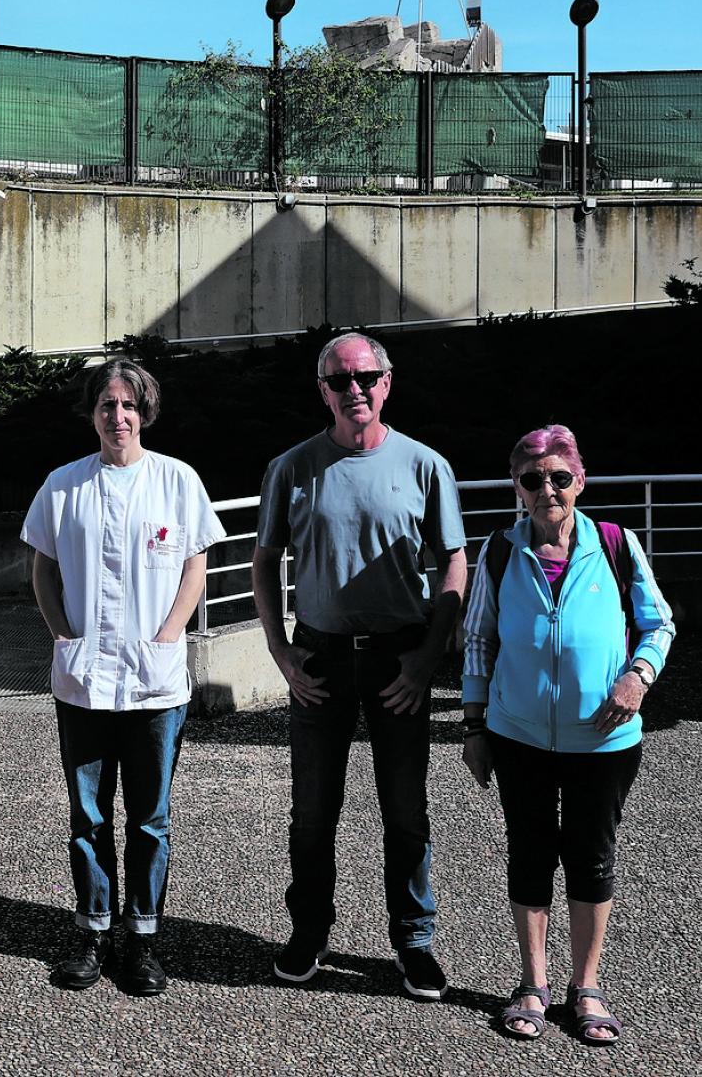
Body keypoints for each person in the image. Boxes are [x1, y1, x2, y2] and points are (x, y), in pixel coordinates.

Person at [251, 331, 467, 1000]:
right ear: (322, 390)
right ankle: (310, 931)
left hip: (399, 659)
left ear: (388, 381)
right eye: (341, 380)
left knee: (405, 812)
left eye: (367, 376)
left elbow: (453, 562)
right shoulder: (293, 467)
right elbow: (264, 561)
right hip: (319, 659)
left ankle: (414, 941)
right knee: (313, 812)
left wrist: (428, 659)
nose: (356, 389)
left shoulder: (425, 466)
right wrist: (282, 654)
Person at [461, 425, 675, 1045]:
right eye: (533, 479)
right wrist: (474, 726)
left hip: (603, 738)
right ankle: (532, 984)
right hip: (518, 734)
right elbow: (478, 640)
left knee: (591, 855)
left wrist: (637, 677)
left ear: (579, 481)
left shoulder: (616, 543)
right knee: (529, 851)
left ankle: (587, 988)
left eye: (559, 477)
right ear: (517, 488)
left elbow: (657, 623)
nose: (547, 489)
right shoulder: (501, 550)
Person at [22, 359, 225, 996]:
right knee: (87, 815)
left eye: (129, 405)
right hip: (84, 681)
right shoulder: (63, 485)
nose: (118, 417)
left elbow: (195, 565)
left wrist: (170, 636)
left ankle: (142, 938)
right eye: (107, 405)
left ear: (146, 412)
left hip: (154, 682)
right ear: (93, 414)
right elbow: (42, 571)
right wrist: (62, 634)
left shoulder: (177, 480)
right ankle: (91, 931)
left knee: (149, 816)